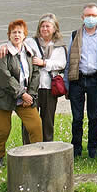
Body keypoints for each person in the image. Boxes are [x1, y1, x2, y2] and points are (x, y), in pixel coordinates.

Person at [0, 19, 43, 168]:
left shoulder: (30, 51)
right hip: (2, 96)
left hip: (24, 96)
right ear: (9, 35)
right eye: (13, 32)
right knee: (3, 129)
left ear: (25, 35)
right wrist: (21, 94)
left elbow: (36, 73)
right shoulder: (4, 52)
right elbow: (4, 77)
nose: (16, 35)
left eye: (19, 32)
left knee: (35, 125)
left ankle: (36, 155)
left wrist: (30, 94)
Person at [65, 4, 97, 159]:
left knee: (94, 117)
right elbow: (68, 61)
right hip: (77, 79)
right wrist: (66, 84)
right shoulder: (75, 35)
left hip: (95, 80)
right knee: (77, 118)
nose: (90, 18)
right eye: (87, 16)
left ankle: (94, 148)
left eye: (93, 15)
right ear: (82, 17)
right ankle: (76, 149)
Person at [28, 13, 67, 143]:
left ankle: (47, 147)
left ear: (55, 28)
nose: (44, 29)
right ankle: (28, 147)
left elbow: (61, 63)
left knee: (48, 120)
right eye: (42, 26)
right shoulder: (30, 42)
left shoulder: (59, 45)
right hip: (32, 87)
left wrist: (44, 63)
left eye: (48, 26)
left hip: (50, 87)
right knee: (30, 120)